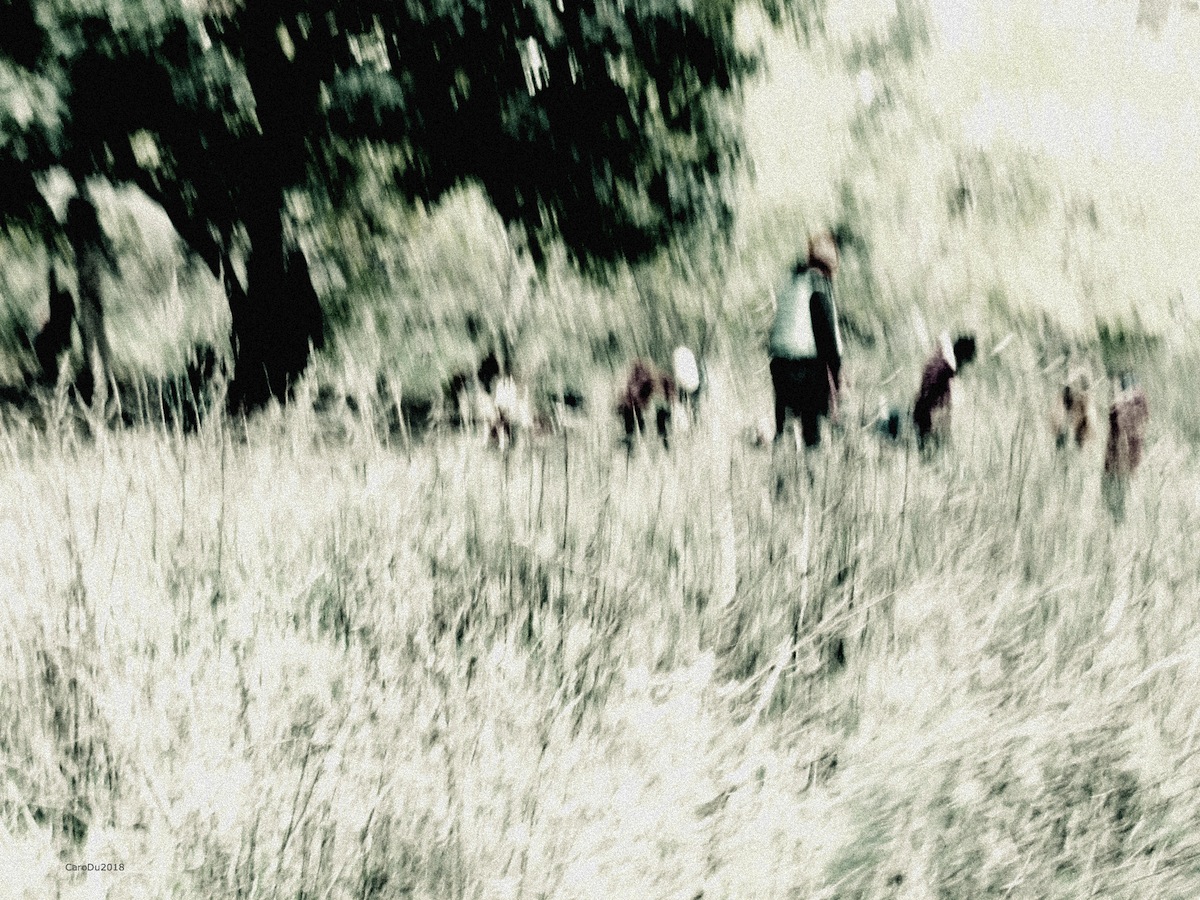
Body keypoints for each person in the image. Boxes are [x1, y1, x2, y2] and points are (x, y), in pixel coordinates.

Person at [768, 232, 843, 447]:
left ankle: (783, 460)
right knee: (811, 434)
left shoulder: (791, 280)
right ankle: (811, 463)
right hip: (807, 367)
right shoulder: (818, 284)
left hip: (780, 364)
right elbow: (826, 336)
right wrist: (836, 374)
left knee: (785, 430)